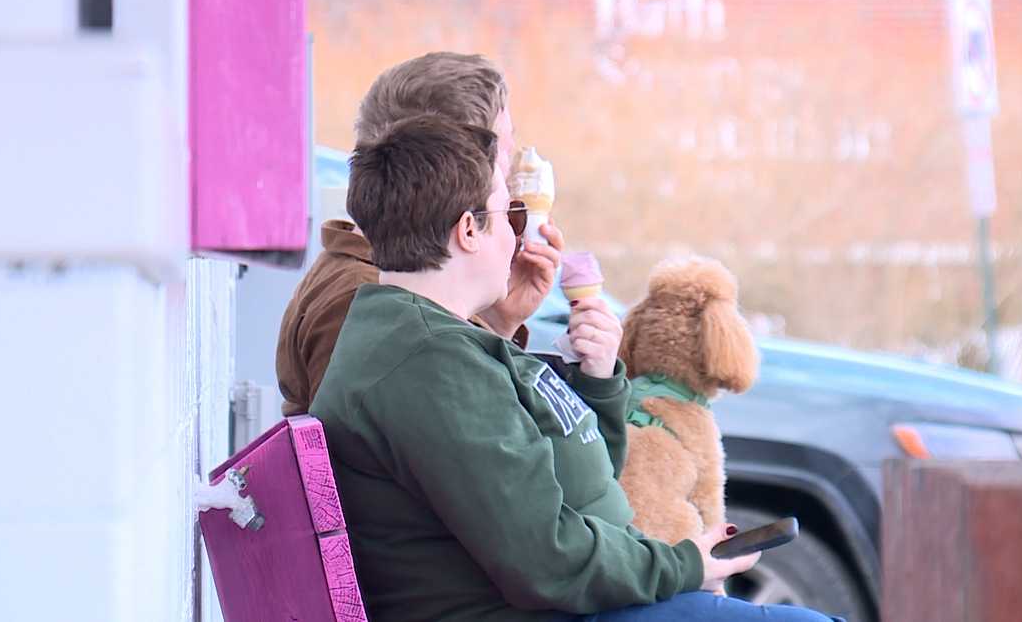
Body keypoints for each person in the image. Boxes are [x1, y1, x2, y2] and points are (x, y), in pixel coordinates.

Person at [310, 114, 845, 622]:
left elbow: (573, 477)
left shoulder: (424, 338)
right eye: (510, 215)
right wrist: (686, 565)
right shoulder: (431, 366)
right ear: (468, 230)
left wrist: (596, 378)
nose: (520, 237)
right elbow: (548, 561)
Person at [276, 52, 562, 417]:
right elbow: (460, 445)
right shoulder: (366, 303)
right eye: (503, 152)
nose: (510, 174)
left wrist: (497, 321)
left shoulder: (384, 283)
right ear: (451, 164)